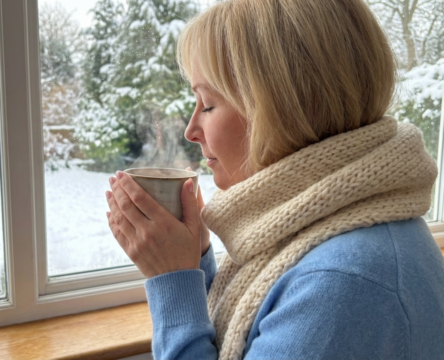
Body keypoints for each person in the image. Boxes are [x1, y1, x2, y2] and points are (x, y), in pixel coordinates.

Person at [105, 0, 444, 358]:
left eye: (206, 104)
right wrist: (193, 259)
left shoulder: (340, 282)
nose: (191, 131)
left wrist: (172, 281)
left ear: (281, 107)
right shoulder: (326, 230)